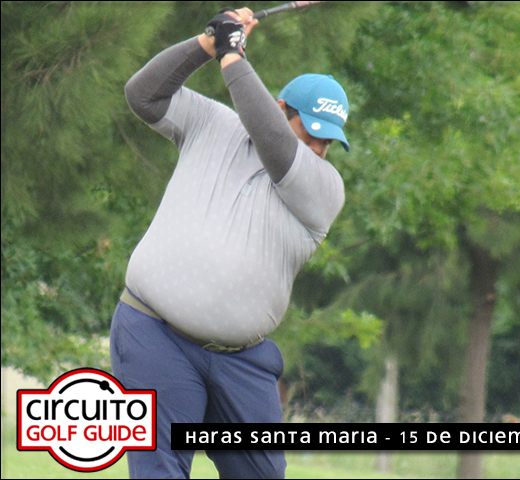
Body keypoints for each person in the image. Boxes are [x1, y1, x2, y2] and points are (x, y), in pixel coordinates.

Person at [109, 7, 349, 479]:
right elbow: (143, 95)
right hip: (153, 333)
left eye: (328, 142)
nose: (318, 149)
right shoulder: (213, 123)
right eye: (312, 132)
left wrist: (233, 55)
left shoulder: (324, 189)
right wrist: (207, 44)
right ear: (281, 108)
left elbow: (277, 145)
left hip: (243, 360)